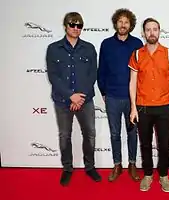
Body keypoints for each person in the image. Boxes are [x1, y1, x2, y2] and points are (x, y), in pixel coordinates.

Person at [46, 12, 101, 186]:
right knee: (65, 135)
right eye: (72, 24)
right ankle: (67, 168)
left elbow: (93, 74)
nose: (76, 28)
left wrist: (80, 98)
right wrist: (71, 96)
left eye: (79, 25)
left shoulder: (89, 48)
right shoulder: (53, 48)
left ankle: (90, 167)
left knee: (90, 134)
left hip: (85, 100)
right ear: (65, 26)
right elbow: (54, 76)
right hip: (63, 101)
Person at [128, 18, 169, 192]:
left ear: (159, 31)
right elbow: (132, 82)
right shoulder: (136, 54)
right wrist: (133, 108)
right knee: (145, 144)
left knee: (164, 145)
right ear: (143, 33)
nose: (151, 33)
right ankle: (148, 175)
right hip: (143, 108)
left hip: (164, 107)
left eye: (155, 29)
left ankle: (164, 176)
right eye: (148, 30)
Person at [97, 8, 143, 182]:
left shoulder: (137, 44)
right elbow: (101, 70)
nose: (123, 25)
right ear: (116, 23)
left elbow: (142, 72)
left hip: (133, 99)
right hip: (113, 97)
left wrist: (138, 96)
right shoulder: (106, 44)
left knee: (132, 133)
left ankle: (132, 163)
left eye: (126, 22)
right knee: (115, 133)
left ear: (130, 25)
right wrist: (104, 92)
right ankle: (117, 164)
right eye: (120, 21)